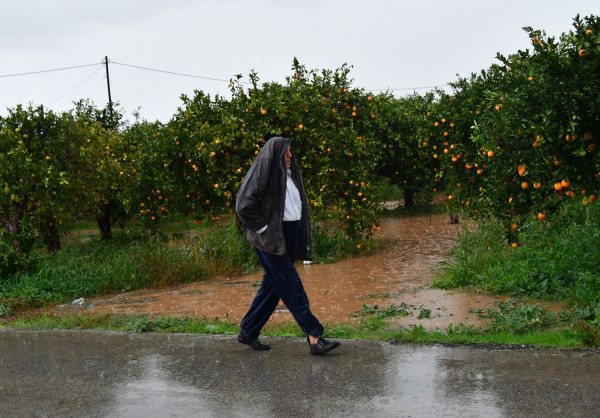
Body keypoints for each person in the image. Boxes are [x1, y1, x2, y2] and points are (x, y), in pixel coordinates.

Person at [235, 136, 340, 355]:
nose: (290, 156)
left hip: (287, 236)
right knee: (292, 286)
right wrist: (264, 230)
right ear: (275, 155)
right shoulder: (265, 175)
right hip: (271, 240)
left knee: (272, 288)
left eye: (291, 151)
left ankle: (248, 330)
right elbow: (244, 206)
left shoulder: (287, 175)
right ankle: (314, 336)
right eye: (286, 152)